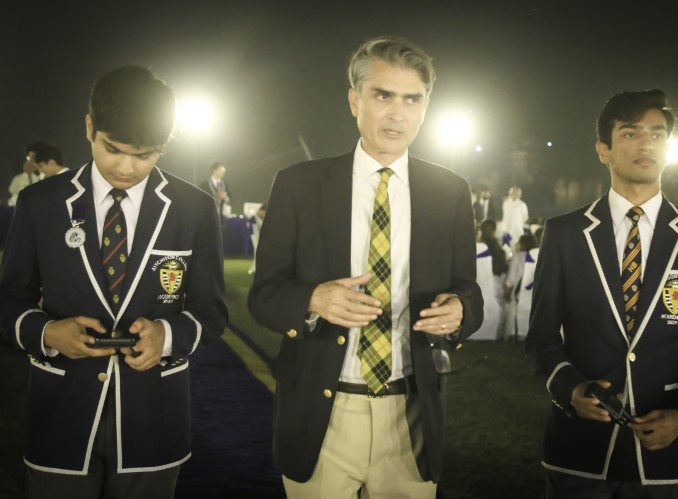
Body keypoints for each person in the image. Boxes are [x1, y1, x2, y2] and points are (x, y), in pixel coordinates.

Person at [247, 36, 483, 498]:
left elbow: (468, 291)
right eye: (383, 96)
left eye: (412, 99)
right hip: (325, 414)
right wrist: (313, 299)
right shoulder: (298, 185)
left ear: (426, 108)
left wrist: (460, 310)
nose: (398, 113)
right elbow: (263, 296)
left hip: (411, 415)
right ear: (355, 100)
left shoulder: (451, 190)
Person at [0, 65, 228, 499]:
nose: (126, 167)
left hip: (153, 422)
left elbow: (212, 310)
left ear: (164, 145)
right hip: (60, 416)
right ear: (90, 127)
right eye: (113, 149)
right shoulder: (40, 203)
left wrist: (166, 335)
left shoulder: (195, 208)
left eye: (144, 154)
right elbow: (8, 301)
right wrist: (47, 332)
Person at [524, 89, 678, 498]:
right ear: (604, 150)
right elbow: (541, 337)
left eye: (657, 134)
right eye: (631, 133)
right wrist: (572, 389)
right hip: (579, 449)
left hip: (660, 455)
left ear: (669, 148)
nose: (646, 144)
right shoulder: (565, 233)